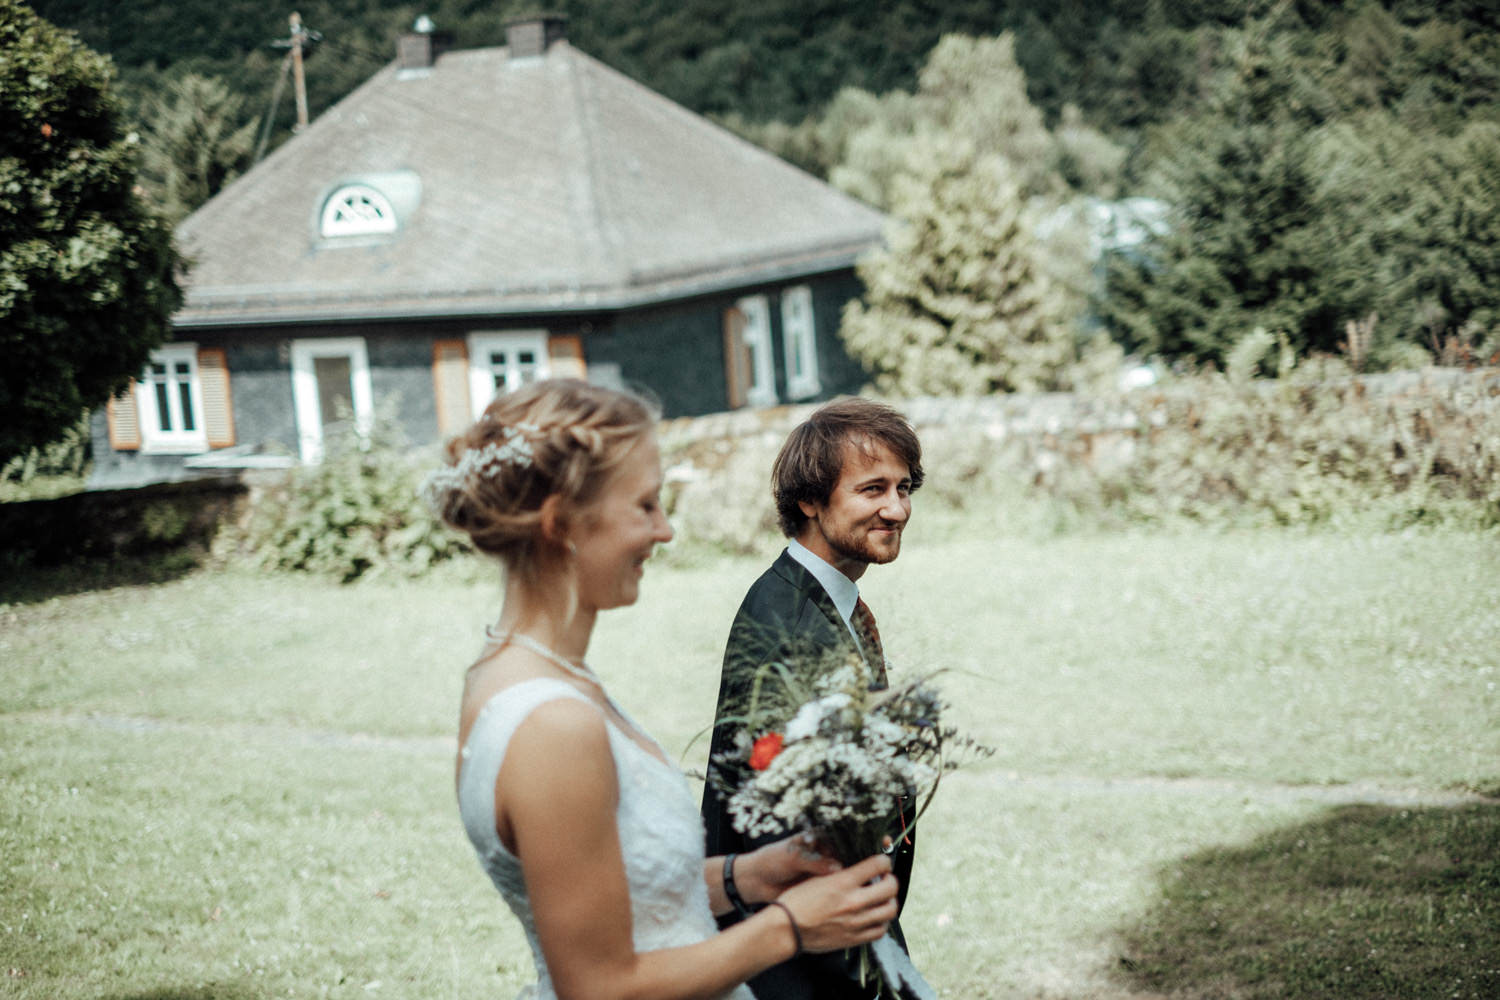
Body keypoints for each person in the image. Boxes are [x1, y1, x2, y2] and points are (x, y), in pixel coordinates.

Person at [428, 379, 899, 1000]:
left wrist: (748, 876)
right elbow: (597, 986)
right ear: (561, 523)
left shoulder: (520, 672)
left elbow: (612, 891)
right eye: (646, 505)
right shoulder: (551, 723)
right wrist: (790, 927)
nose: (666, 531)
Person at [701, 397, 925, 1000]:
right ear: (810, 500)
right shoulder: (789, 629)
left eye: (904, 488)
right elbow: (777, 831)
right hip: (807, 969)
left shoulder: (827, 598)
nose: (897, 508)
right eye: (873, 489)